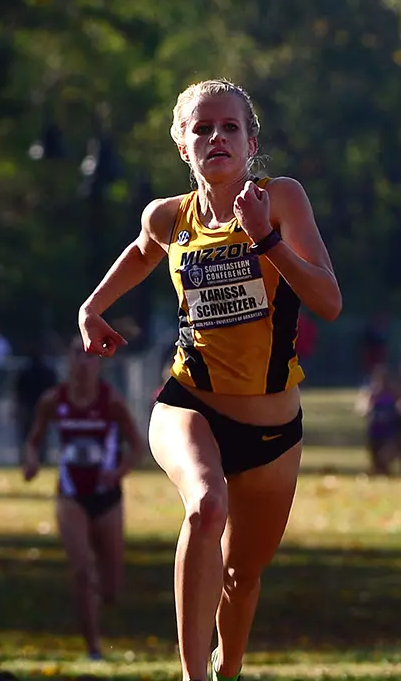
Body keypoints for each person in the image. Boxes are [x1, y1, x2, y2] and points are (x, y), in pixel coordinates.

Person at [74, 79, 341, 681]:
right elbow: (145, 249)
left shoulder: (280, 200)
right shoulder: (170, 216)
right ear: (182, 146)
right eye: (202, 128)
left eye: (229, 128)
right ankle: (194, 676)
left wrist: (266, 240)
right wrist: (93, 308)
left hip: (273, 428)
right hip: (189, 402)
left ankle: (229, 668)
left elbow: (328, 301)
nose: (215, 137)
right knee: (205, 505)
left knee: (242, 576)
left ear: (251, 143)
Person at [22, 338, 145, 661]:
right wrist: (32, 461)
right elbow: (34, 439)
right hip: (70, 494)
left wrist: (117, 473)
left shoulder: (111, 401)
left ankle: (101, 610)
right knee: (83, 572)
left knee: (111, 588)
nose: (83, 362)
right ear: (68, 361)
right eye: (77, 354)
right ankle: (93, 649)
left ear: (99, 363)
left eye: (91, 356)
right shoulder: (53, 400)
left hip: (107, 496)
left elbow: (137, 447)